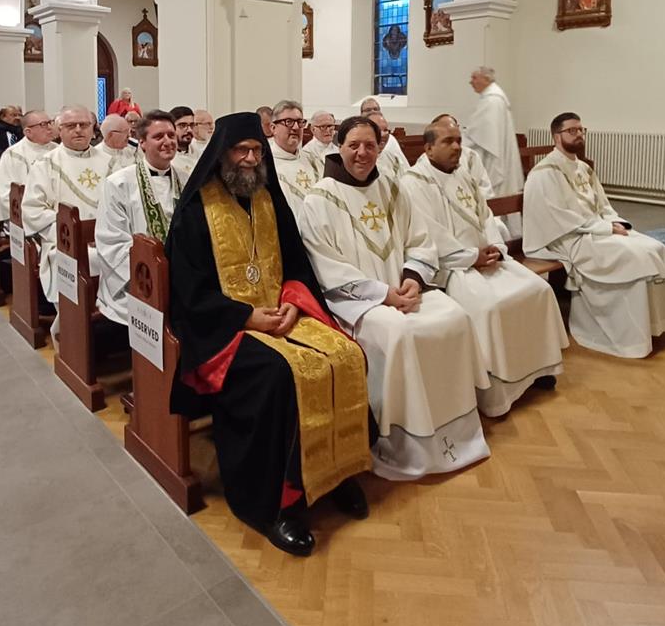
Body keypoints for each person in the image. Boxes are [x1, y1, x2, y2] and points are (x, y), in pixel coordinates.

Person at [166, 112, 371, 557]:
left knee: (345, 353)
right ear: (221, 155)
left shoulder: (270, 200)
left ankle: (336, 473)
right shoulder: (196, 212)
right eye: (241, 150)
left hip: (283, 314)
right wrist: (246, 317)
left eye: (257, 151)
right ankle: (276, 504)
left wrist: (295, 302)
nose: (250, 159)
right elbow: (189, 292)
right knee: (277, 375)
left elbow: (298, 264)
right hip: (224, 329)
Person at [300, 116, 490, 480]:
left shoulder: (392, 187)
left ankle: (457, 432)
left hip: (402, 290)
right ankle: (402, 444)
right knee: (398, 334)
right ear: (338, 147)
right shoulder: (318, 199)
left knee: (455, 316)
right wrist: (383, 294)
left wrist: (413, 278)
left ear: (380, 148)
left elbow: (419, 240)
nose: (362, 153)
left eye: (370, 145)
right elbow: (326, 266)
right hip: (356, 304)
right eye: (354, 145)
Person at [401, 118, 568, 415]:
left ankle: (539, 369)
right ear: (428, 148)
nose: (456, 147)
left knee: (538, 289)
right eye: (448, 142)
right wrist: (470, 256)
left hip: (488, 259)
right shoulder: (414, 184)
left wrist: (496, 248)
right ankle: (496, 391)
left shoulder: (463, 175)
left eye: (458, 140)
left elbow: (487, 217)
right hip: (453, 267)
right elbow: (428, 234)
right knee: (491, 307)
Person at [523, 113, 665, 358]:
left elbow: (603, 205)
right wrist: (605, 229)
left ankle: (654, 327)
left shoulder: (583, 168)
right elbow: (558, 218)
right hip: (567, 238)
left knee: (655, 248)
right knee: (635, 257)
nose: (579, 134)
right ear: (556, 136)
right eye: (572, 131)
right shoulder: (544, 173)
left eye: (581, 130)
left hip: (594, 229)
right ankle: (627, 338)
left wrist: (614, 222)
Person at [96, 111, 182, 328]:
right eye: (158, 136)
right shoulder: (118, 183)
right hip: (138, 279)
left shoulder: (186, 179)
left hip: (182, 276)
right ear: (142, 142)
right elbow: (112, 240)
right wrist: (155, 272)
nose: (167, 141)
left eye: (171, 135)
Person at [21, 106, 111, 309]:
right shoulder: (45, 164)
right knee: (86, 260)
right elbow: (33, 211)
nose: (78, 130)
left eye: (84, 125)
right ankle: (74, 321)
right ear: (59, 130)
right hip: (65, 241)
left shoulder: (110, 163)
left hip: (107, 240)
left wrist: (106, 236)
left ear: (93, 129)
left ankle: (113, 320)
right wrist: (75, 237)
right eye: (70, 125)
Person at [465, 66, 523, 205]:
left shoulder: (492, 101)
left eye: (474, 78)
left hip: (492, 157)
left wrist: (456, 141)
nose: (471, 82)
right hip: (498, 152)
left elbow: (478, 135)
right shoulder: (494, 97)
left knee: (494, 197)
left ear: (486, 79)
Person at [0, 110, 55, 222]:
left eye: (50, 122)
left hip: (55, 212)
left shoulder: (58, 150)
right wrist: (35, 214)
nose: (50, 128)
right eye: (43, 124)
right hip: (24, 216)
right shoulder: (13, 155)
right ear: (28, 132)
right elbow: (5, 194)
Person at [268, 99, 318, 223]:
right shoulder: (265, 164)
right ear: (273, 128)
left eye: (300, 122)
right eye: (288, 122)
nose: (296, 127)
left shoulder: (313, 160)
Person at [360, 97, 409, 172]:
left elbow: (403, 168)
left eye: (376, 109)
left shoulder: (391, 140)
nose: (373, 112)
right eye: (368, 110)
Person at [367, 112, 405, 181]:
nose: (383, 135)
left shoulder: (392, 158)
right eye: (377, 130)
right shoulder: (360, 161)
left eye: (385, 130)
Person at [170, 105, 197, 178]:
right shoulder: (166, 158)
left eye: (192, 125)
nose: (189, 130)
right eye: (182, 125)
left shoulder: (201, 153)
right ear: (171, 127)